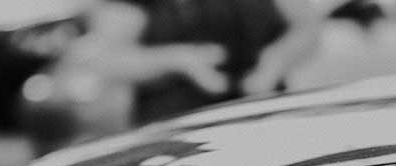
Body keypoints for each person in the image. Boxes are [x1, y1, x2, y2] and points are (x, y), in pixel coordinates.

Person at [57, 0, 327, 125]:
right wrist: (180, 60)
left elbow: (307, 27)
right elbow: (105, 59)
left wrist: (274, 62)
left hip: (263, 120)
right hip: (173, 138)